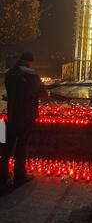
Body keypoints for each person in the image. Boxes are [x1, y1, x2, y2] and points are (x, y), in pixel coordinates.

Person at [0, 52, 49, 188]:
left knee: (6, 147)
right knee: (22, 146)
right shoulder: (31, 73)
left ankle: (2, 175)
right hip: (26, 115)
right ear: (30, 62)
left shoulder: (9, 74)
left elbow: (10, 94)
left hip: (11, 114)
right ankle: (19, 176)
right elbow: (43, 93)